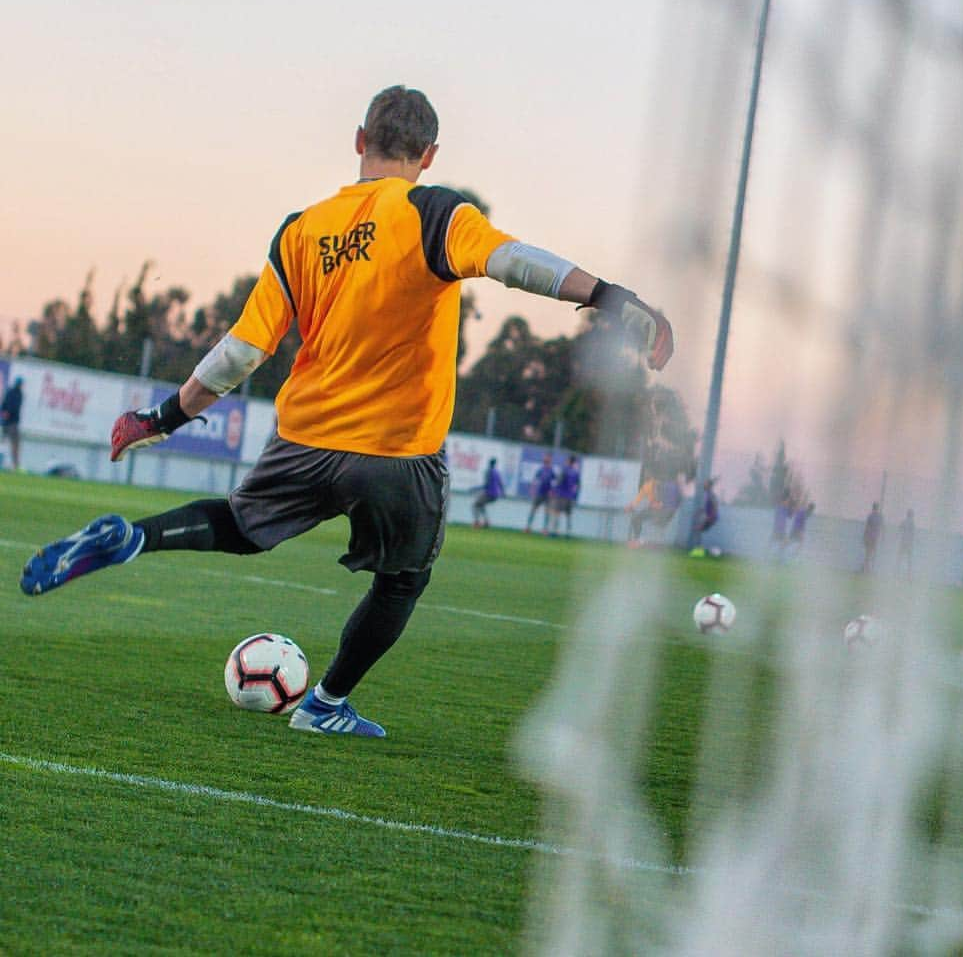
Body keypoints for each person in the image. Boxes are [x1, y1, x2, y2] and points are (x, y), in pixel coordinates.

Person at [19, 85, 674, 738]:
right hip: (397, 449)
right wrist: (609, 297)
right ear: (429, 154)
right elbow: (512, 262)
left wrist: (161, 418)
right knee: (403, 579)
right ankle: (325, 704)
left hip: (305, 435)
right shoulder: (433, 211)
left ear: (360, 141)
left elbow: (241, 351)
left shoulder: (301, 229)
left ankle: (136, 538)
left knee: (243, 528)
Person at [549, 455, 581, 538]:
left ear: (569, 461)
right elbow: (578, 485)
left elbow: (559, 481)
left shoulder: (564, 470)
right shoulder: (576, 472)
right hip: (570, 496)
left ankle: (554, 532)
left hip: (561, 495)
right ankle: (568, 533)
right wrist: (574, 495)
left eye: (567, 460)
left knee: (557, 513)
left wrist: (553, 490)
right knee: (568, 515)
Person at [525, 453, 555, 534]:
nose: (546, 459)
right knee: (533, 510)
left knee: (547, 512)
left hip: (547, 494)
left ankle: (545, 529)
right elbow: (535, 480)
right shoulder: (541, 470)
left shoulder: (552, 471)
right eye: (545, 458)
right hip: (540, 493)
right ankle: (528, 527)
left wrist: (552, 491)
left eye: (548, 458)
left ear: (550, 460)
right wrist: (532, 489)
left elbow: (554, 482)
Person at [471, 457, 504, 529]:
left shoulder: (488, 471)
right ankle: (487, 522)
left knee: (475, 505)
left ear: (489, 463)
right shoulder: (497, 472)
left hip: (489, 493)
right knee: (481, 505)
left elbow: (486, 485)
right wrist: (503, 493)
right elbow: (501, 483)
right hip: (495, 495)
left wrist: (474, 488)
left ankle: (477, 522)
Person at [1, 375, 24, 470]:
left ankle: (11, 464)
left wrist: (4, 413)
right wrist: (7, 413)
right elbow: (12, 407)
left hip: (6, 422)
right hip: (12, 423)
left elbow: (3, 405)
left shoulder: (10, 392)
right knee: (15, 445)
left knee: (3, 443)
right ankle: (15, 465)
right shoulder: (18, 394)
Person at [693, 478, 719, 546]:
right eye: (704, 483)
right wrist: (699, 512)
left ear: (709, 486)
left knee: (698, 529)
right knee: (698, 529)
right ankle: (698, 548)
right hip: (709, 517)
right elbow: (707, 507)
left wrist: (711, 516)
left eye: (705, 484)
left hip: (711, 517)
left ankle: (698, 549)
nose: (703, 485)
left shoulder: (711, 494)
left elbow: (715, 504)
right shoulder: (707, 494)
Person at [861, 502, 883, 573]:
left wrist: (864, 537)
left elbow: (867, 527)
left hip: (870, 537)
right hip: (874, 537)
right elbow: (881, 527)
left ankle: (866, 568)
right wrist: (882, 537)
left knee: (868, 553)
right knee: (872, 553)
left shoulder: (871, 516)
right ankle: (868, 568)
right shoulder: (879, 517)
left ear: (873, 507)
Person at [897, 508, 915, 580]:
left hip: (903, 542)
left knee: (900, 557)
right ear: (911, 515)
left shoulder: (904, 521)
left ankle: (897, 572)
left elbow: (899, 529)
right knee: (909, 559)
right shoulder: (912, 522)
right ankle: (909, 575)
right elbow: (913, 533)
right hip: (909, 543)